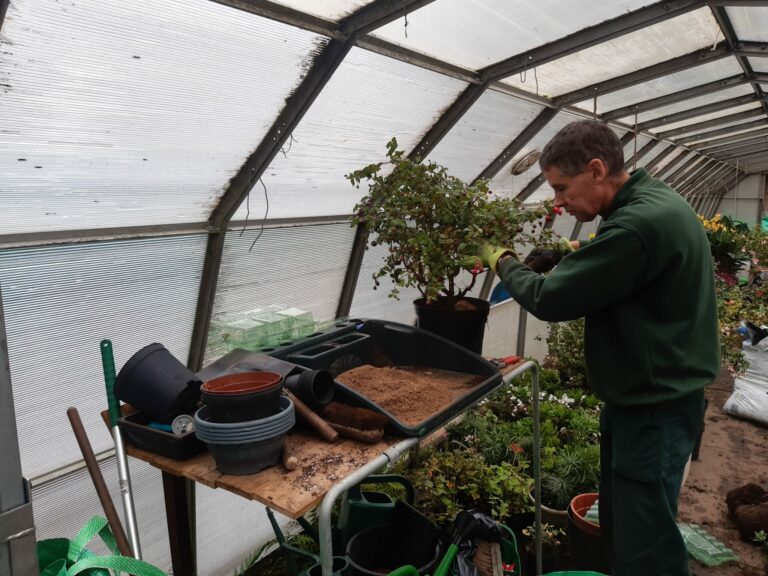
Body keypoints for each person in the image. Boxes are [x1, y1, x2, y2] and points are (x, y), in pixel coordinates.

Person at [481, 120, 719, 576]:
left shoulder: (637, 226)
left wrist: (501, 259)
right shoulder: (655, 201)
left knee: (644, 549)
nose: (558, 201)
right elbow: (624, 255)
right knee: (628, 527)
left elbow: (547, 299)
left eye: (562, 188)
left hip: (654, 411)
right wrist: (570, 251)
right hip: (656, 401)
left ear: (596, 169)